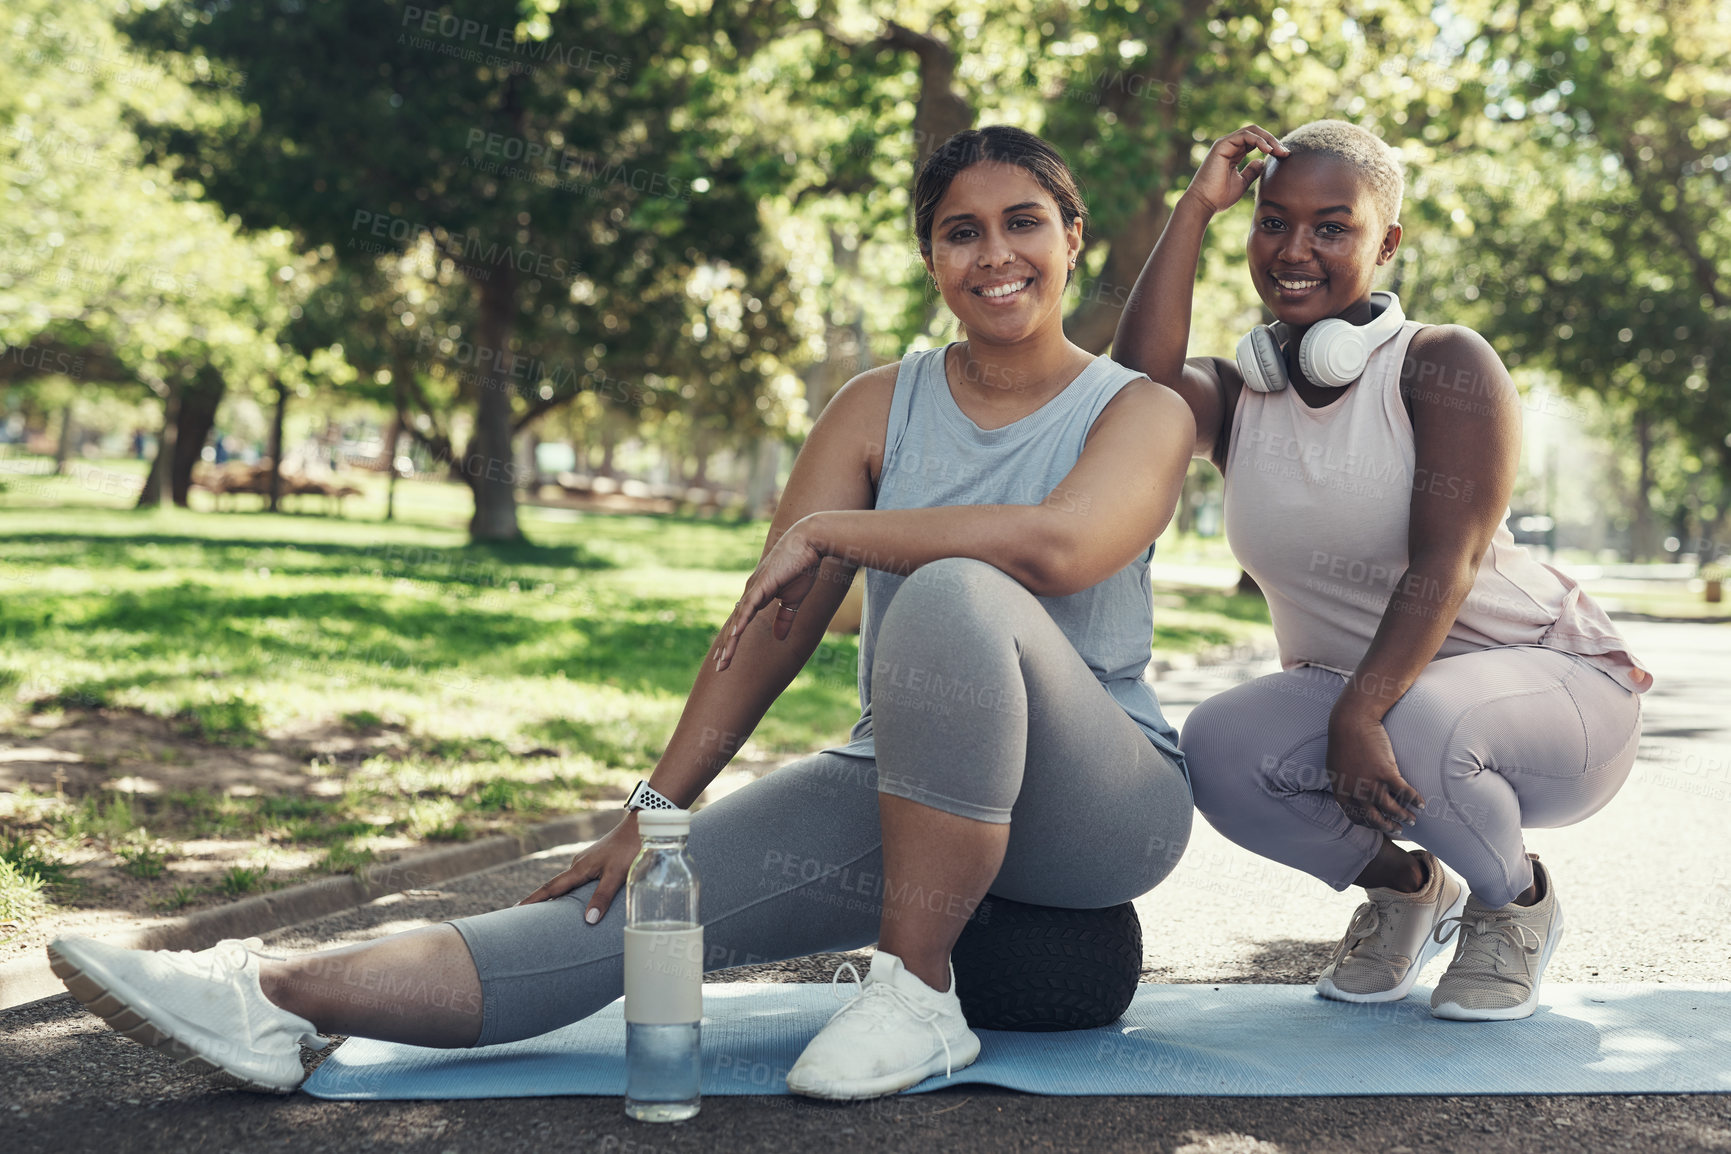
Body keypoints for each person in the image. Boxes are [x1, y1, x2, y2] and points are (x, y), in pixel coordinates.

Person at [49, 125, 1197, 1099]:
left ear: (1074, 236)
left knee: (954, 589)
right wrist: (653, 813)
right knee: (615, 916)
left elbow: (1062, 546)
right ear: (932, 258)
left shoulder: (1139, 409)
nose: (996, 252)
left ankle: (917, 993)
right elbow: (773, 628)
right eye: (961, 230)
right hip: (902, 778)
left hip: (1100, 803)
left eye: (1024, 221)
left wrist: (843, 532)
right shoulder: (874, 407)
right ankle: (271, 997)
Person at [1112, 121, 1650, 1021]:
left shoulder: (1442, 364)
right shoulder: (1243, 393)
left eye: (1331, 226)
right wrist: (1192, 212)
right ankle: (1407, 890)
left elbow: (1448, 561)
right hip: (1389, 700)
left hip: (1558, 697)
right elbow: (1130, 393)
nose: (1293, 250)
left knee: (1422, 719)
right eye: (1270, 223)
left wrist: (1359, 710)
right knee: (1217, 747)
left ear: (1384, 242)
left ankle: (1513, 903)